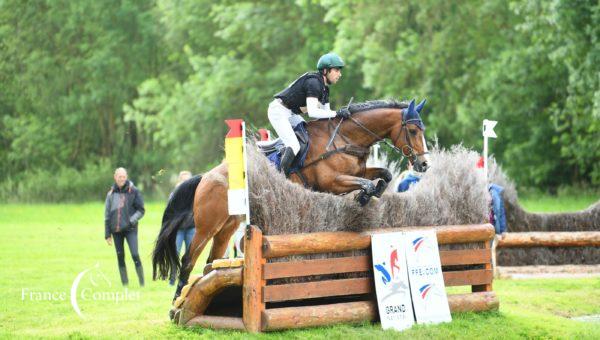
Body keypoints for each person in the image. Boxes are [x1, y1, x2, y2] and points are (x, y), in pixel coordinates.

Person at [268, 52, 350, 175]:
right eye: (337, 70)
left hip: (291, 113)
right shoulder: (314, 83)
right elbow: (313, 112)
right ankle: (279, 179)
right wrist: (337, 113)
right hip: (278, 111)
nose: (340, 74)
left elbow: (326, 114)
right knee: (294, 145)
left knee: (308, 134)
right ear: (325, 70)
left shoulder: (324, 89)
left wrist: (341, 117)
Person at [104, 167, 145, 286]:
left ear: (126, 177)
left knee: (134, 254)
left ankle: (142, 282)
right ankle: (125, 283)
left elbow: (141, 210)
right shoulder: (111, 194)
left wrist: (130, 221)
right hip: (116, 231)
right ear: (115, 177)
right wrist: (107, 234)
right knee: (120, 256)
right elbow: (107, 215)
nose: (121, 179)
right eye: (119, 176)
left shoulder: (133, 191)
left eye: (123, 176)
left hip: (130, 230)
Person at [169, 171, 196, 286]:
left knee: (190, 254)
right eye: (183, 180)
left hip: (191, 228)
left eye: (188, 180)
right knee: (176, 252)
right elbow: (170, 210)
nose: (186, 182)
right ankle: (172, 277)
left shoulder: (196, 193)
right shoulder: (174, 194)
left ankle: (185, 278)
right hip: (178, 229)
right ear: (180, 181)